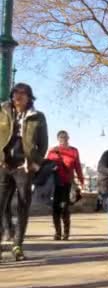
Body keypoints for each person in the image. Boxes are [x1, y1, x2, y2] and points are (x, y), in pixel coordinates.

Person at [0, 83, 48, 261]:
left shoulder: (37, 116)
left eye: (23, 93)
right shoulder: (2, 111)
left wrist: (36, 163)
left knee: (22, 205)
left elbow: (43, 143)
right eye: (15, 93)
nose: (18, 96)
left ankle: (17, 245)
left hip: (24, 166)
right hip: (3, 164)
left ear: (29, 97)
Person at [47, 130, 84, 241]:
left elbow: (77, 166)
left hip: (67, 183)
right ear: (58, 139)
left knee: (65, 208)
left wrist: (81, 181)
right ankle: (57, 233)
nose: (63, 139)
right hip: (55, 184)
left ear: (68, 138)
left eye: (65, 137)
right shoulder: (53, 151)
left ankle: (66, 233)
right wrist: (51, 168)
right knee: (55, 209)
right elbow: (46, 166)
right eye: (61, 137)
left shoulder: (73, 151)